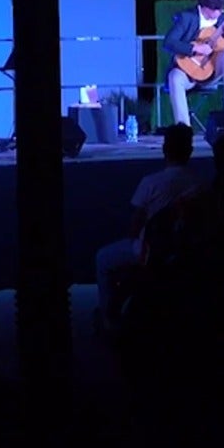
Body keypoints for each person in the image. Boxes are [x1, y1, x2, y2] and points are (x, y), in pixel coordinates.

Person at [95, 124, 203, 329]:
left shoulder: (151, 183)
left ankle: (108, 319)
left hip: (150, 250)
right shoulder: (198, 183)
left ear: (164, 149)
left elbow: (135, 225)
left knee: (102, 258)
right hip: (184, 250)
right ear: (190, 150)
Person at [160, 0, 224, 130]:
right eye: (217, 9)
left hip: (211, 70)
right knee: (174, 77)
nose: (221, 11)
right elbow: (168, 42)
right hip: (188, 72)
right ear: (206, 7)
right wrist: (195, 48)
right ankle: (183, 128)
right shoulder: (186, 18)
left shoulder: (222, 19)